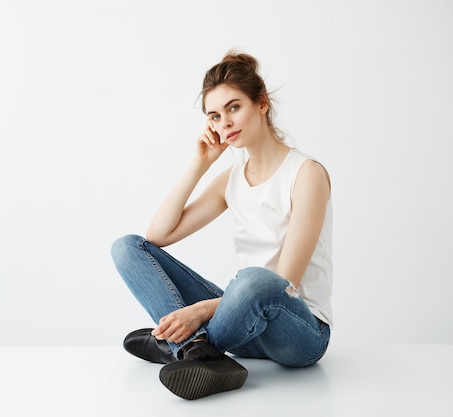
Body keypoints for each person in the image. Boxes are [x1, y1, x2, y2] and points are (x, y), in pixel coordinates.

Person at [111, 51, 333, 400]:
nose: (224, 122)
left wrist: (198, 311)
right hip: (240, 324)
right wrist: (200, 164)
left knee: (255, 280)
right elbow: (158, 236)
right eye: (214, 116)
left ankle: (179, 345)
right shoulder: (231, 179)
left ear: (261, 104)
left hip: (298, 331)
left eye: (233, 108)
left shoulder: (306, 174)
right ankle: (198, 350)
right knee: (127, 247)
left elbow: (285, 282)